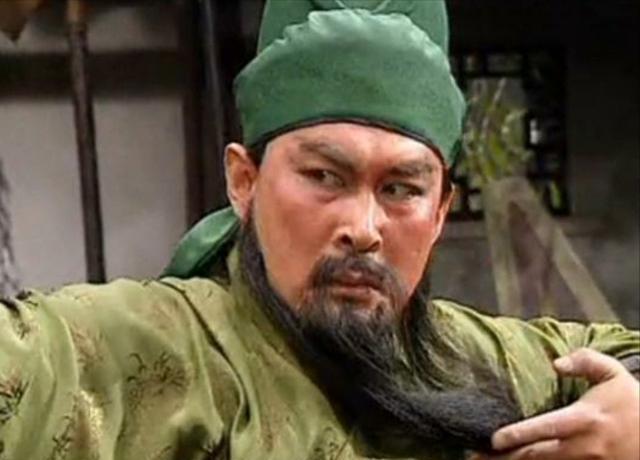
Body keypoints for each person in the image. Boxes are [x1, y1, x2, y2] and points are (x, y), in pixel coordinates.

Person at [1, 1, 638, 459]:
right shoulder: (136, 349)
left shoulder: (467, 355)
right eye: (325, 177)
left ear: (442, 209)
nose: (363, 228)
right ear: (244, 182)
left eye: (401, 189)